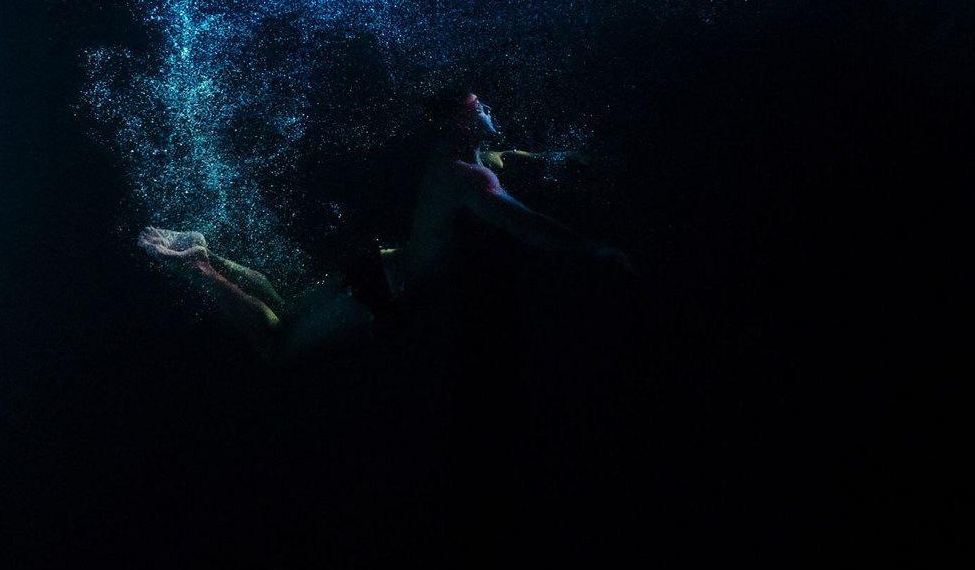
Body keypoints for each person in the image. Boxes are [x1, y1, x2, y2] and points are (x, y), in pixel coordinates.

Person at [138, 90, 629, 365]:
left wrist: (561, 157)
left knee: (284, 311)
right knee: (278, 350)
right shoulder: (470, 177)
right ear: (456, 122)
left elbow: (514, 156)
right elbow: (525, 222)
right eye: (479, 108)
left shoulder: (464, 158)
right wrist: (595, 249)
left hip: (380, 267)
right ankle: (200, 266)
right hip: (384, 291)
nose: (489, 110)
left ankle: (209, 253)